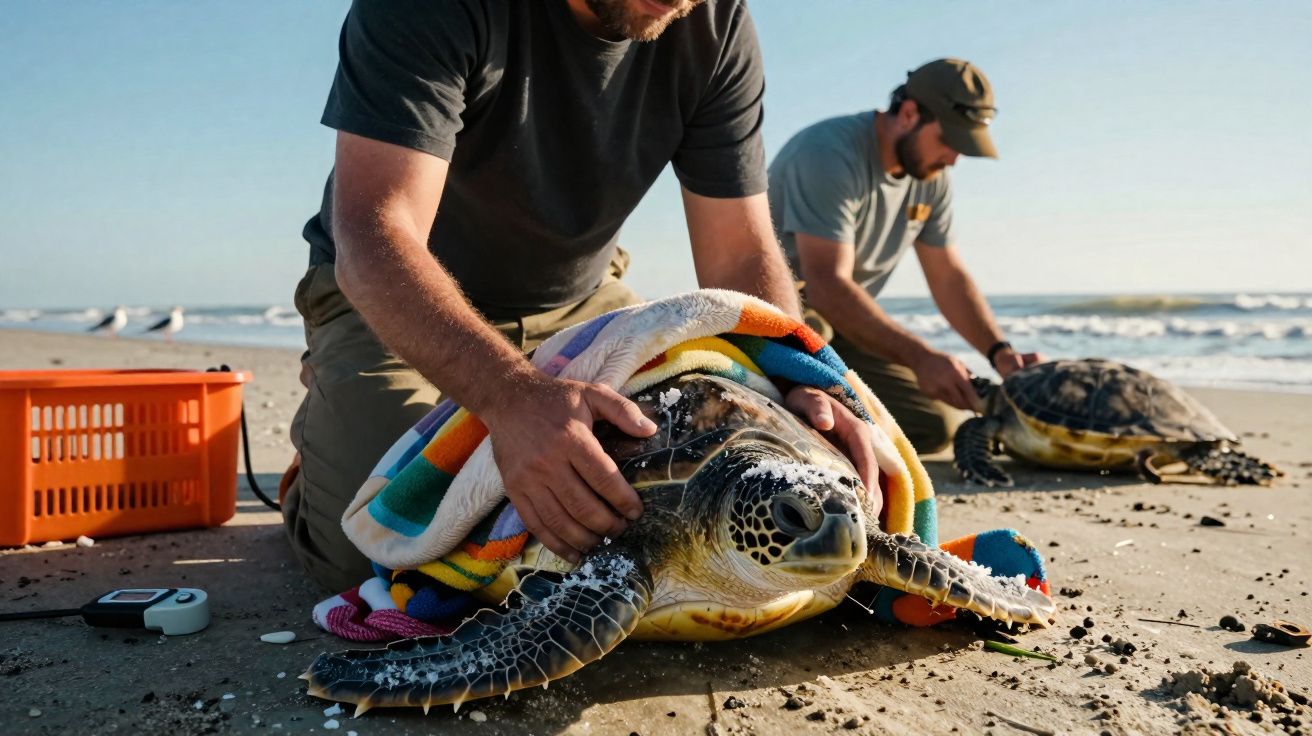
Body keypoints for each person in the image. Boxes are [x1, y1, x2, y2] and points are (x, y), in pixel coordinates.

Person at [285, 0, 877, 592]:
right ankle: (320, 445)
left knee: (641, 511)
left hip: (583, 304)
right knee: (375, 555)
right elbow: (375, 232)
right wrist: (511, 396)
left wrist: (802, 377)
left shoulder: (714, 24)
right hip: (397, 303)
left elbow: (740, 253)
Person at [767, 58, 1043, 455]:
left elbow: (948, 276)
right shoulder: (827, 153)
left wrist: (1000, 353)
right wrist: (920, 356)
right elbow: (826, 285)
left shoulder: (929, 177)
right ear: (910, 113)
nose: (954, 160)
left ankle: (838, 424)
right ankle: (789, 426)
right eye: (950, 142)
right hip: (784, 318)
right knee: (816, 328)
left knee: (934, 427)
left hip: (846, 322)